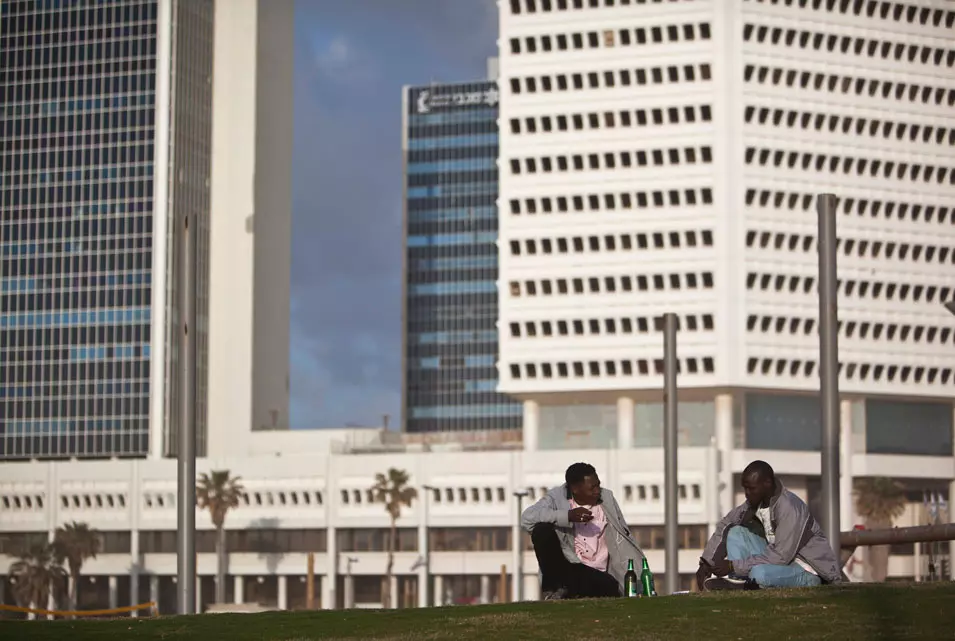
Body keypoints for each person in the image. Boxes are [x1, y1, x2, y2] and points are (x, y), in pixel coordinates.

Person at [697, 460, 843, 591]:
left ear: (767, 483)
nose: (747, 494)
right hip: (780, 563)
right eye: (745, 488)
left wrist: (732, 566)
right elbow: (726, 524)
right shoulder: (754, 503)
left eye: (752, 488)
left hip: (808, 570)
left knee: (758, 573)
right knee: (735, 532)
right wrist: (706, 562)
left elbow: (780, 556)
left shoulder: (790, 508)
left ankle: (744, 580)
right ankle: (738, 581)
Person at [521, 462, 645, 600]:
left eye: (598, 484)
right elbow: (527, 518)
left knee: (609, 584)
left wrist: (639, 583)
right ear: (575, 489)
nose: (598, 491)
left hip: (601, 576)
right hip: (571, 568)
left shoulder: (606, 499)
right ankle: (553, 590)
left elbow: (624, 540)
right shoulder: (556, 498)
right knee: (541, 530)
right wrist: (567, 515)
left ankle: (569, 591)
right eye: (592, 488)